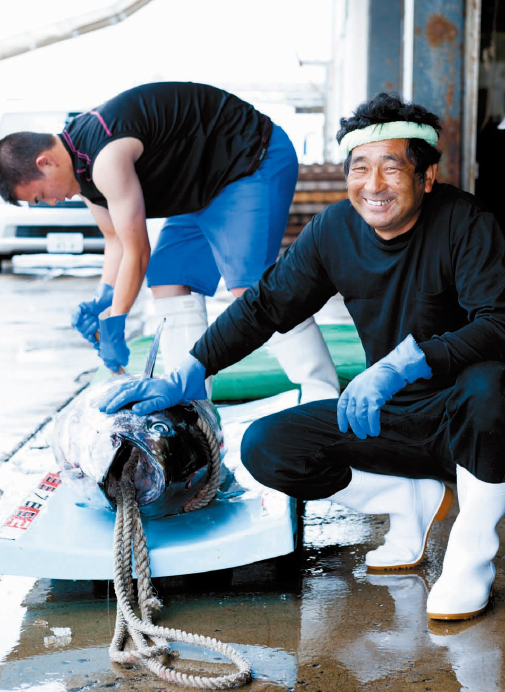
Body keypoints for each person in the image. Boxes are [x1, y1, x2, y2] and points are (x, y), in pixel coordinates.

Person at [100, 93, 505, 621]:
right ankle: (408, 497)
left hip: (468, 420)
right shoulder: (333, 231)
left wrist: (406, 362)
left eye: (392, 167)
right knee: (268, 446)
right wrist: (192, 369)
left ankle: (471, 560)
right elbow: (266, 305)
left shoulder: (467, 223)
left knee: (490, 386)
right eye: (360, 168)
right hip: (397, 418)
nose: (374, 185)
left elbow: (497, 324)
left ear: (427, 176)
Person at [0, 82, 340, 403]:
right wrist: (103, 297)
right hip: (201, 187)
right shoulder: (79, 171)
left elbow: (137, 251)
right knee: (169, 278)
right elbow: (115, 241)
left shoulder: (106, 156)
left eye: (39, 196)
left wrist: (117, 319)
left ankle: (321, 395)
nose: (50, 203)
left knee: (250, 289)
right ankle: (192, 404)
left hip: (251, 160)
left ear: (44, 162)